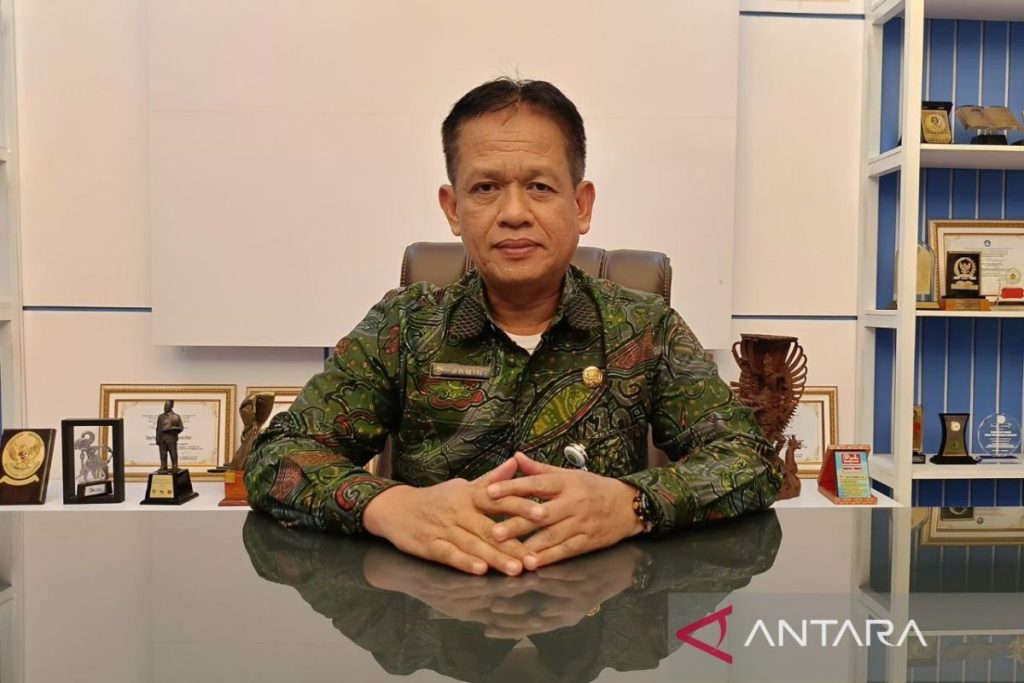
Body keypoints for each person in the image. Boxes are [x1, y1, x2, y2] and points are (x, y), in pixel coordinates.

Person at [246, 78, 781, 577]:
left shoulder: (644, 327)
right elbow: (276, 457)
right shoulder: (404, 324)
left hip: (600, 608)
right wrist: (393, 506)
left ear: (581, 205)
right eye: (485, 187)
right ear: (453, 209)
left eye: (540, 186)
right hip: (436, 609)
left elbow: (751, 459)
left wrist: (632, 504)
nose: (514, 212)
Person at [156, 400, 184, 472]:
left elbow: (181, 428)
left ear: (171, 406)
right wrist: (157, 439)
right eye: (165, 405)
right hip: (162, 439)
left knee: (173, 453)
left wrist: (171, 429)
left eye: (167, 406)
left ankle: (175, 466)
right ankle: (163, 466)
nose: (165, 407)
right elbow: (158, 428)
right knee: (163, 454)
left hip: (171, 438)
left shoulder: (176, 417)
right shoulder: (160, 417)